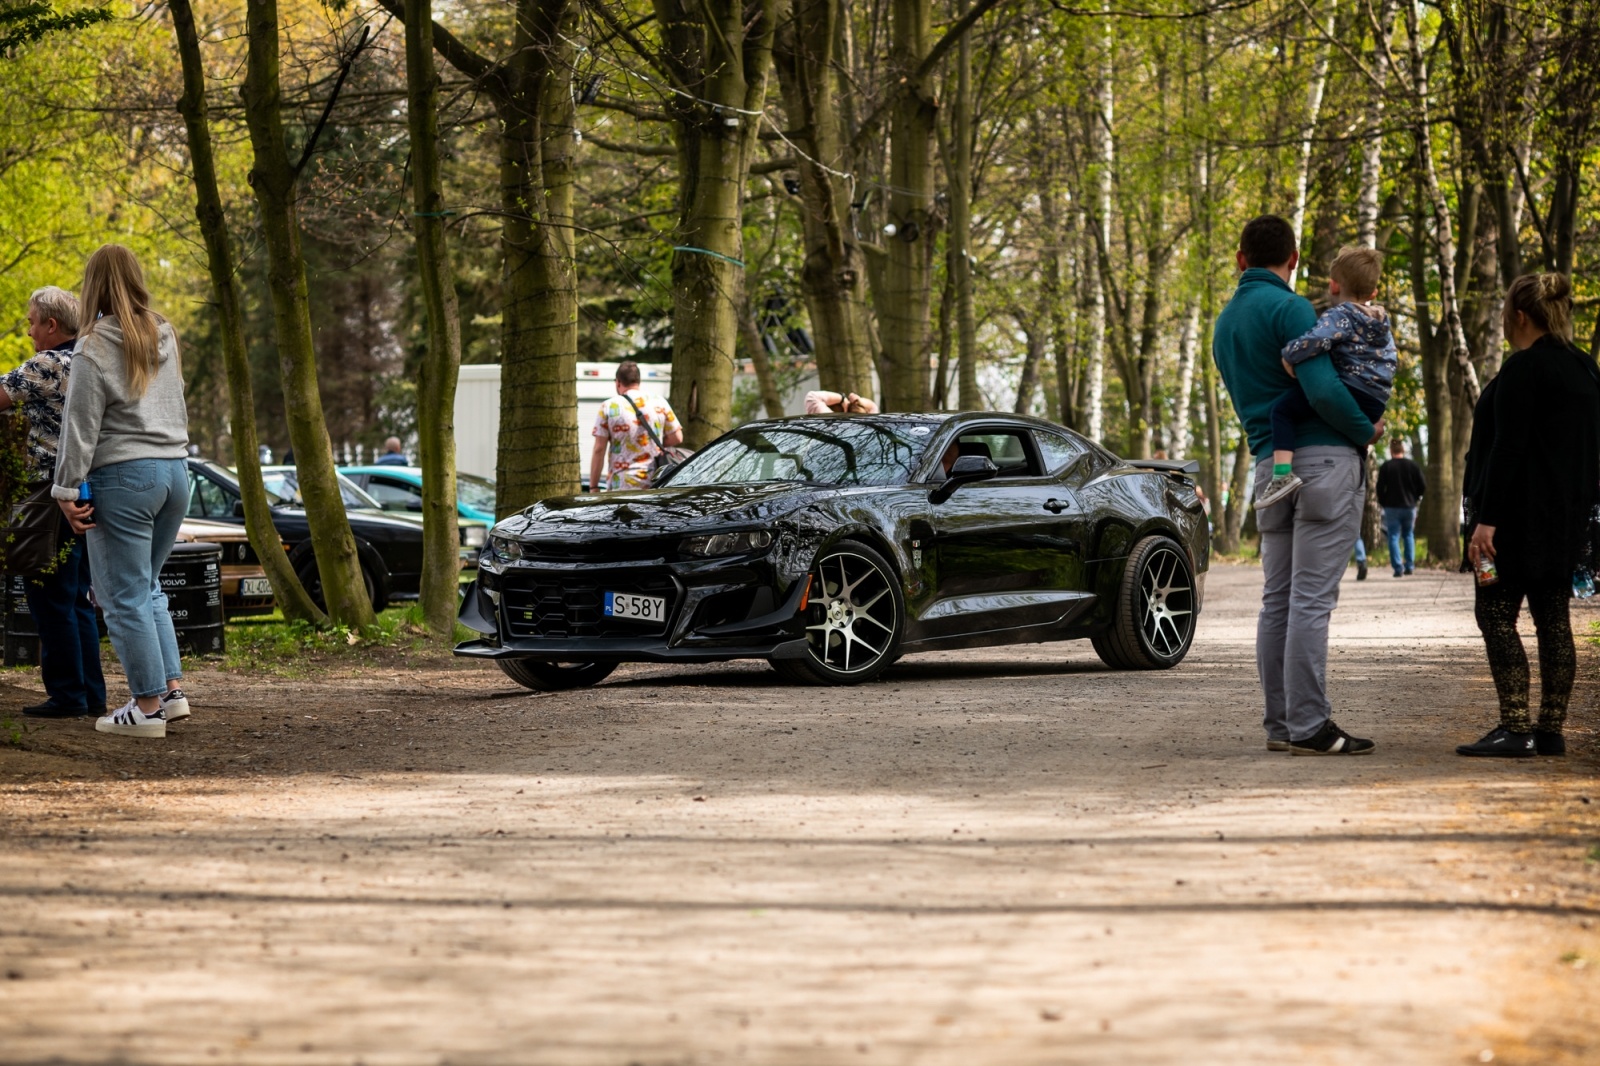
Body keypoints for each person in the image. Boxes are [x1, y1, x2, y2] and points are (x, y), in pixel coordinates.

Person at [1212, 215, 1383, 756]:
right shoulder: (1291, 308)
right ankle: (1310, 727)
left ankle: (1282, 725)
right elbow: (1324, 388)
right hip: (1325, 464)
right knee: (1311, 601)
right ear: (1293, 259)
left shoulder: (1224, 323)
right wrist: (1366, 430)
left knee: (1278, 601)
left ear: (1241, 259)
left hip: (1271, 467)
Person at [1457, 273, 1600, 759]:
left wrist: (1485, 521)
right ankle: (1551, 730)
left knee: (1495, 614)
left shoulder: (1523, 369)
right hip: (1565, 522)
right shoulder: (1586, 369)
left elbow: (1508, 447)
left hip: (1511, 523)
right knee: (1553, 619)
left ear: (1519, 315)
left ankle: (1516, 727)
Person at [52, 245, 191, 739]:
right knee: (146, 586)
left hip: (126, 479)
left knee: (122, 596)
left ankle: (146, 706)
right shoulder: (165, 332)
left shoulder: (92, 345)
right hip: (176, 473)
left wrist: (65, 488)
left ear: (93, 286)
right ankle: (171, 692)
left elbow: (80, 424)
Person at [0, 287, 107, 719]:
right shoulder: (87, 361)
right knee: (76, 596)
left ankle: (67, 695)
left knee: (48, 596)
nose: (28, 331)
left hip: (48, 496)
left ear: (51, 325)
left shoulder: (49, 363)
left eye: (31, 322)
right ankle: (89, 694)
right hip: (85, 490)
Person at [1255, 246, 1396, 509]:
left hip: (1351, 389)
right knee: (1353, 440)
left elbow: (1316, 341)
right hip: (1375, 399)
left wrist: (1289, 355)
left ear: (1333, 286)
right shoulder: (1382, 322)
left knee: (1282, 411)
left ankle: (1282, 474)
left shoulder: (1340, 315)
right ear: (1373, 292)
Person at [590, 360, 683, 491]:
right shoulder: (659, 401)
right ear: (638, 381)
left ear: (617, 382)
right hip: (653, 482)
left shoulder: (608, 406)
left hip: (621, 484)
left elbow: (599, 449)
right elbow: (677, 437)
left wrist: (594, 486)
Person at [1376, 439, 1425, 577]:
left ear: (1391, 451)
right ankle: (1409, 565)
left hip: (1391, 506)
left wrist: (1383, 501)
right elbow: (1422, 485)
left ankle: (1398, 568)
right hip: (1409, 506)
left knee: (1393, 536)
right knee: (1408, 535)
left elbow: (1380, 488)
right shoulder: (1412, 466)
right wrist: (1415, 498)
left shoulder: (1386, 466)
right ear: (1403, 450)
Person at [804, 390, 879, 414]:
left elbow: (812, 397)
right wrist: (859, 401)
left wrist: (842, 399)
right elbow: (873, 407)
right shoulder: (866, 428)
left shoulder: (831, 422)